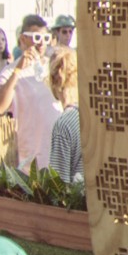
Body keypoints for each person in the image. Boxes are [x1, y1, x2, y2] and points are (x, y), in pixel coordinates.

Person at [0, 14, 63, 168]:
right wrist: (18, 70)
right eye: (37, 38)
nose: (41, 44)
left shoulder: (53, 66)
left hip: (58, 152)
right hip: (31, 156)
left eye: (46, 38)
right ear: (23, 39)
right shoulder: (11, 71)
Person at [46, 50, 82, 182]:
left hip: (79, 201)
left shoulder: (63, 125)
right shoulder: (96, 116)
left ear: (55, 81)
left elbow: (58, 188)